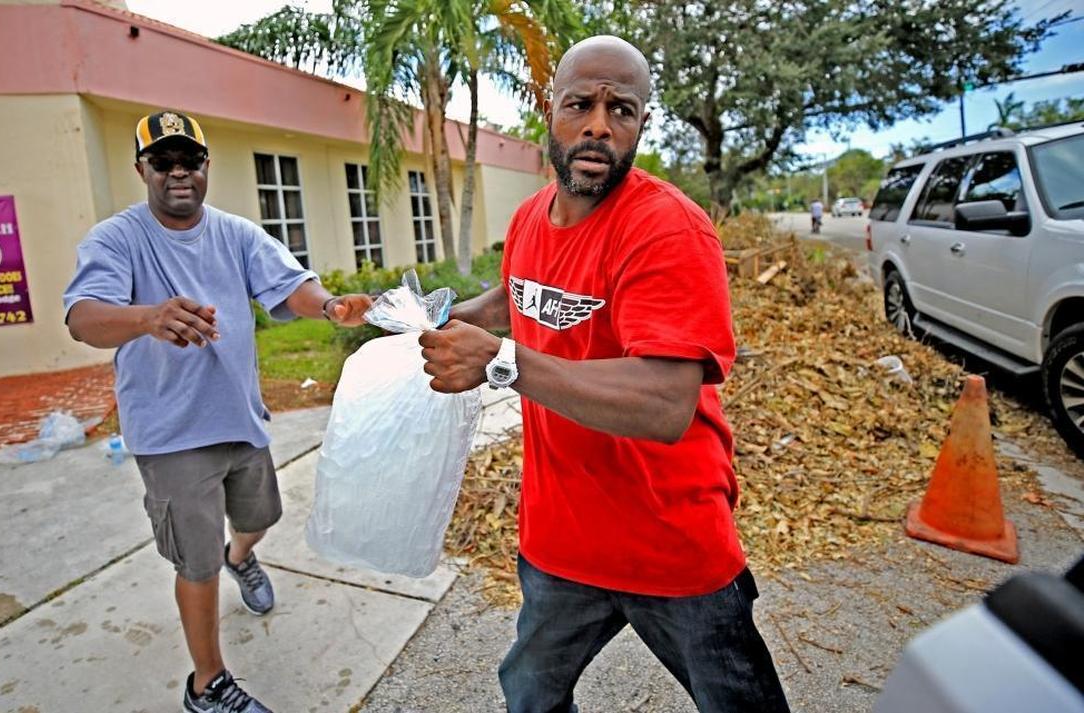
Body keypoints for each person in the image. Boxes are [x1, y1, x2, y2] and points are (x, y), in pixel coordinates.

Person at [418, 36, 790, 712]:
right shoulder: (530, 218)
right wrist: (430, 317)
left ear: (642, 123)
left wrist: (498, 360)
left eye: (620, 109)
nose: (598, 124)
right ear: (549, 110)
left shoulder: (668, 230)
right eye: (580, 104)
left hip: (669, 540)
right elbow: (521, 296)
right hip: (560, 538)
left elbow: (665, 402)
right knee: (531, 692)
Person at [63, 110, 371, 713]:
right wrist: (148, 317)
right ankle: (207, 686)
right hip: (170, 437)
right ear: (142, 170)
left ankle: (242, 556)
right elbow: (83, 318)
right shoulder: (116, 239)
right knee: (196, 563)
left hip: (239, 420)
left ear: (206, 166)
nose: (178, 172)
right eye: (163, 161)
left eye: (190, 160)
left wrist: (331, 305)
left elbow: (291, 285)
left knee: (261, 517)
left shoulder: (236, 234)